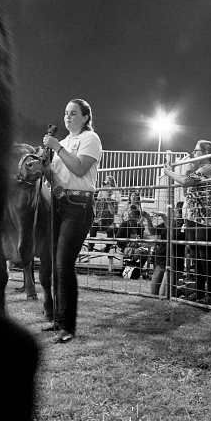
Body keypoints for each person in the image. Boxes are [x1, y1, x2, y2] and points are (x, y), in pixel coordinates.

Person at [42, 98, 102, 344]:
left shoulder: (91, 139)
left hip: (78, 205)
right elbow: (54, 177)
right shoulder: (64, 142)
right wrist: (42, 165)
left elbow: (78, 169)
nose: (68, 117)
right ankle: (59, 320)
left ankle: (68, 326)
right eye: (66, 113)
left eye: (74, 113)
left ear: (86, 117)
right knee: (57, 264)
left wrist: (57, 148)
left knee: (64, 264)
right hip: (58, 203)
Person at [162, 140, 211, 306]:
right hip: (193, 218)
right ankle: (198, 292)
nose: (193, 153)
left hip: (206, 220)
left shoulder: (209, 168)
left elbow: (186, 181)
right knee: (197, 256)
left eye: (196, 150)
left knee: (205, 257)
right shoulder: (199, 169)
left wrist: (169, 173)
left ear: (205, 153)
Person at [150, 203, 187, 296]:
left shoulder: (186, 226)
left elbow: (172, 233)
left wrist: (164, 216)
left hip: (175, 263)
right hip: (161, 260)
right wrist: (148, 219)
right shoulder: (167, 222)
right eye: (175, 211)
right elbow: (153, 231)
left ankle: (184, 290)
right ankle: (179, 288)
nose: (175, 213)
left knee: (163, 294)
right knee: (153, 293)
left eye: (178, 212)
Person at [115, 203, 154, 274]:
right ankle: (129, 265)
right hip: (123, 246)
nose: (129, 215)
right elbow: (118, 238)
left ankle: (138, 269)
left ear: (137, 217)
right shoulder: (124, 224)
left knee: (145, 253)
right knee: (138, 252)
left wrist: (138, 242)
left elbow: (141, 239)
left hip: (135, 247)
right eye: (129, 213)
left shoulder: (139, 227)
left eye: (132, 214)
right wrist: (129, 243)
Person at [89, 175, 119, 251]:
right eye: (106, 191)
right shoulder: (100, 201)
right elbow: (96, 212)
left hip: (108, 223)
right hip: (99, 222)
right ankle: (91, 246)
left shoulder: (113, 201)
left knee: (111, 230)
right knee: (93, 227)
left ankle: (107, 247)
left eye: (109, 191)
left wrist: (108, 202)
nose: (107, 192)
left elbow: (113, 212)